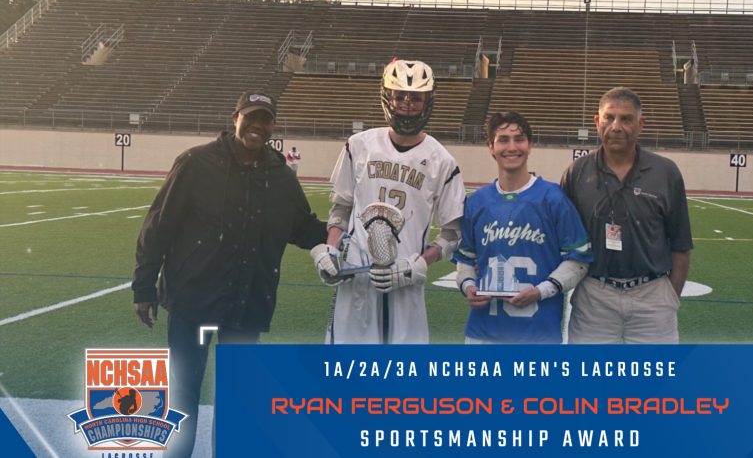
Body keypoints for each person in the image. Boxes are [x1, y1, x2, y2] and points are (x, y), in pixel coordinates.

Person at [132, 91, 328, 457]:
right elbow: (158, 226)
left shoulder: (280, 177)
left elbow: (303, 228)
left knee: (237, 397)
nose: (257, 125)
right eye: (250, 117)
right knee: (183, 394)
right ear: (235, 116)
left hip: (245, 306)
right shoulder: (195, 163)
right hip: (194, 304)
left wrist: (346, 230)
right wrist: (143, 288)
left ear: (273, 126)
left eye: (265, 119)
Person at [313, 59, 465, 344]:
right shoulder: (359, 145)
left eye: (416, 98)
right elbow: (341, 209)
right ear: (387, 97)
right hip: (356, 279)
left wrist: (420, 264)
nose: (407, 104)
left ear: (428, 101)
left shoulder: (442, 161)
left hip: (405, 280)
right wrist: (332, 250)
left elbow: (452, 233)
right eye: (400, 96)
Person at [560, 87, 693, 344]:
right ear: (597, 122)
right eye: (609, 118)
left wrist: (669, 297)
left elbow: (681, 244)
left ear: (641, 124)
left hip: (652, 296)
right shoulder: (577, 173)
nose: (616, 127)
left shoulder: (666, 172)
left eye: (626, 119)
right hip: (594, 296)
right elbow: (561, 240)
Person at [453, 112, 591, 343]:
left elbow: (579, 261)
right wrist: (468, 286)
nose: (512, 147)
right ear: (491, 147)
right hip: (483, 334)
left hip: (539, 334)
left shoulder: (553, 198)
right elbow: (465, 260)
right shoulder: (477, 202)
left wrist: (540, 291)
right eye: (503, 140)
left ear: (529, 146)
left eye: (519, 139)